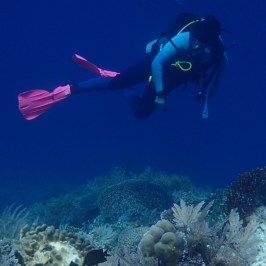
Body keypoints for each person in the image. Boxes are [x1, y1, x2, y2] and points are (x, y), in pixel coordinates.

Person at [18, 13, 228, 121]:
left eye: (205, 47)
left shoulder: (219, 53)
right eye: (199, 44)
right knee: (118, 82)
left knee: (141, 114)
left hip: (173, 77)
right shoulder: (185, 38)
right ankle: (70, 89)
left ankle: (127, 89)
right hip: (157, 64)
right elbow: (157, 63)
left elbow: (218, 77)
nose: (200, 48)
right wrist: (161, 92)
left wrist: (207, 93)